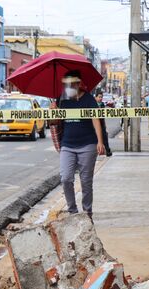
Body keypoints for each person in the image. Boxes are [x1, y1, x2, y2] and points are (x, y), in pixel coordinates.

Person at [53, 70, 105, 219]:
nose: (68, 86)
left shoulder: (88, 99)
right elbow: (54, 123)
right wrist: (53, 112)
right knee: (66, 178)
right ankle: (72, 212)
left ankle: (87, 213)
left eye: (71, 84)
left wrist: (100, 142)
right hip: (67, 145)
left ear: (78, 84)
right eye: (66, 84)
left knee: (86, 182)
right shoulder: (61, 100)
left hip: (87, 145)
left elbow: (96, 119)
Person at [94, 90, 112, 157]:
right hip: (94, 125)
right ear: (95, 97)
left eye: (101, 97)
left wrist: (104, 125)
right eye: (99, 97)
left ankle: (107, 150)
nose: (101, 98)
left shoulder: (102, 104)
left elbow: (103, 116)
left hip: (101, 124)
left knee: (104, 137)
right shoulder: (93, 104)